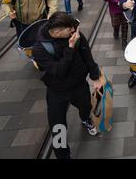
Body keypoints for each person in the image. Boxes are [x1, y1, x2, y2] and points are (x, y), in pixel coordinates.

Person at [32, 12, 102, 159]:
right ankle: (63, 156)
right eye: (69, 30)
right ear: (57, 32)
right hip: (57, 90)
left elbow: (86, 55)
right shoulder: (40, 49)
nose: (73, 32)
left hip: (78, 84)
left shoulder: (75, 33)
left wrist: (95, 76)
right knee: (58, 127)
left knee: (86, 106)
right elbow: (58, 71)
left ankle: (85, 119)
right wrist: (70, 48)